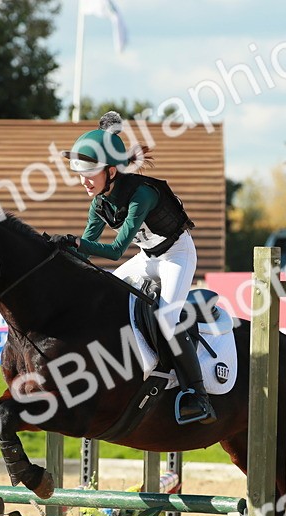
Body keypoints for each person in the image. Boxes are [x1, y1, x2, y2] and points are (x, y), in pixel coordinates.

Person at [54, 111, 215, 425]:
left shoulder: (142, 194)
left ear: (111, 171)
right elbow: (86, 249)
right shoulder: (99, 203)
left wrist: (75, 243)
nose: (84, 180)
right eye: (80, 173)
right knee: (107, 297)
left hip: (176, 256)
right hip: (147, 256)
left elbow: (115, 251)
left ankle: (198, 395)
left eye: (90, 173)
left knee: (167, 318)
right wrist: (57, 254)